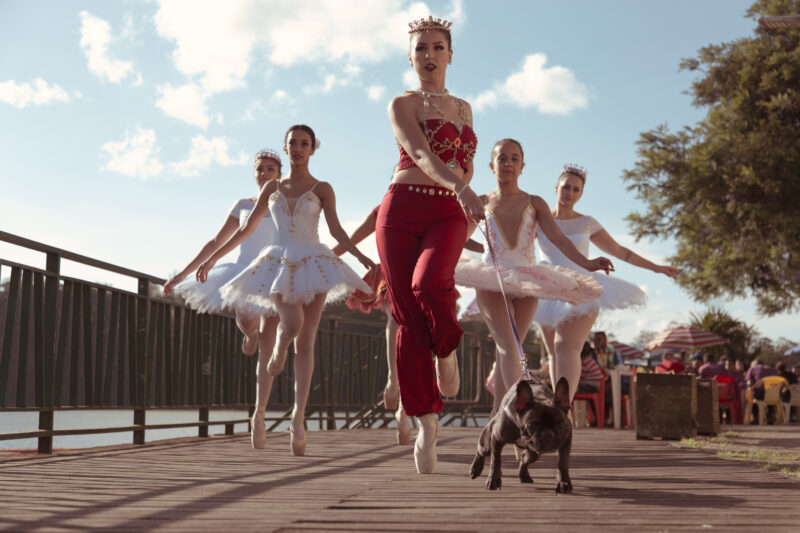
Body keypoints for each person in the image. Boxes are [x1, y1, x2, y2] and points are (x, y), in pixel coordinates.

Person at [197, 124, 374, 456]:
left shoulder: (322, 188)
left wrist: (362, 256)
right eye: (292, 143)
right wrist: (211, 259)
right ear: (287, 147)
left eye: (304, 144)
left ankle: (298, 419)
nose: (298, 148)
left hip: (314, 260)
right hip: (277, 262)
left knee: (306, 343)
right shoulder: (273, 187)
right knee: (290, 324)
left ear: (312, 149)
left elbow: (336, 228)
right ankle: (261, 411)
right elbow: (247, 230)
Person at [376, 15, 486, 474]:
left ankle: (448, 346)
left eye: (437, 47)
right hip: (400, 210)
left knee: (428, 285)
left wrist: (463, 191)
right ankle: (426, 423)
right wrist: (460, 186)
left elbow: (466, 164)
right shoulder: (401, 103)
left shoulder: (464, 108)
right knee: (406, 319)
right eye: (420, 48)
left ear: (450, 54)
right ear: (410, 56)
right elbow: (421, 153)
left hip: (447, 213)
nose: (429, 56)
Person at [453, 139, 610, 416]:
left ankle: (497, 419)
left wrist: (587, 262)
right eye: (502, 158)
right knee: (509, 347)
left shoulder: (534, 202)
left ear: (522, 166)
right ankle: (516, 419)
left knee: (512, 351)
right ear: (491, 165)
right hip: (493, 279)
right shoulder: (481, 203)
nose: (508, 164)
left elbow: (560, 241)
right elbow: (458, 239)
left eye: (514, 159)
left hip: (528, 281)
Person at [163, 148, 282, 449]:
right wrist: (183, 275)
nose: (264, 173)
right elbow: (217, 241)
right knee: (246, 319)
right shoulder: (243, 204)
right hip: (244, 273)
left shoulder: (286, 203)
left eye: (270, 168)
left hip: (276, 273)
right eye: (260, 168)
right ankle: (249, 334)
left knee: (269, 345)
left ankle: (259, 413)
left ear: (279, 173)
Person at [533, 164, 680, 403]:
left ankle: (562, 408)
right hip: (546, 289)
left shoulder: (587, 223)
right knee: (553, 355)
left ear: (581, 193)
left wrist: (657, 267)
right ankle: (558, 411)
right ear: (556, 188)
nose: (569, 193)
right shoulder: (540, 220)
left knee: (565, 348)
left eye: (576, 189)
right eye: (566, 187)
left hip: (580, 287)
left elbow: (621, 251)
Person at [577, 342, 607, 426]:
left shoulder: (584, 362)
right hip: (596, 385)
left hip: (591, 386)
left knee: (571, 391)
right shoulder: (589, 360)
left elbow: (578, 377)